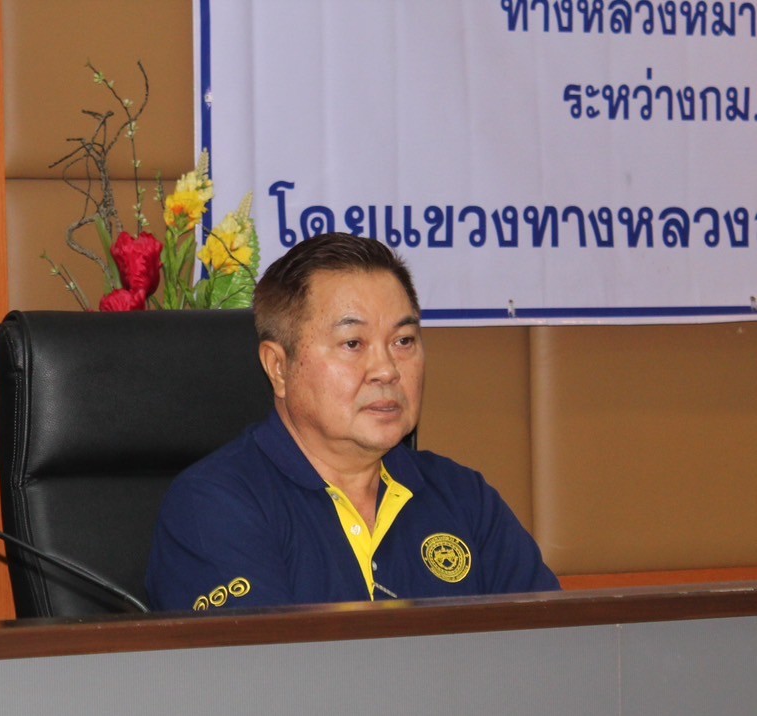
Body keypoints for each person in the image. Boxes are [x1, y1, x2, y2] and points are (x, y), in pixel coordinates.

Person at [146, 232, 558, 612]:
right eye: (353, 343)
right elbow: (263, 665)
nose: (387, 370)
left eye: (403, 341)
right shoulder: (215, 506)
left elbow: (554, 645)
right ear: (278, 367)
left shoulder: (464, 498)